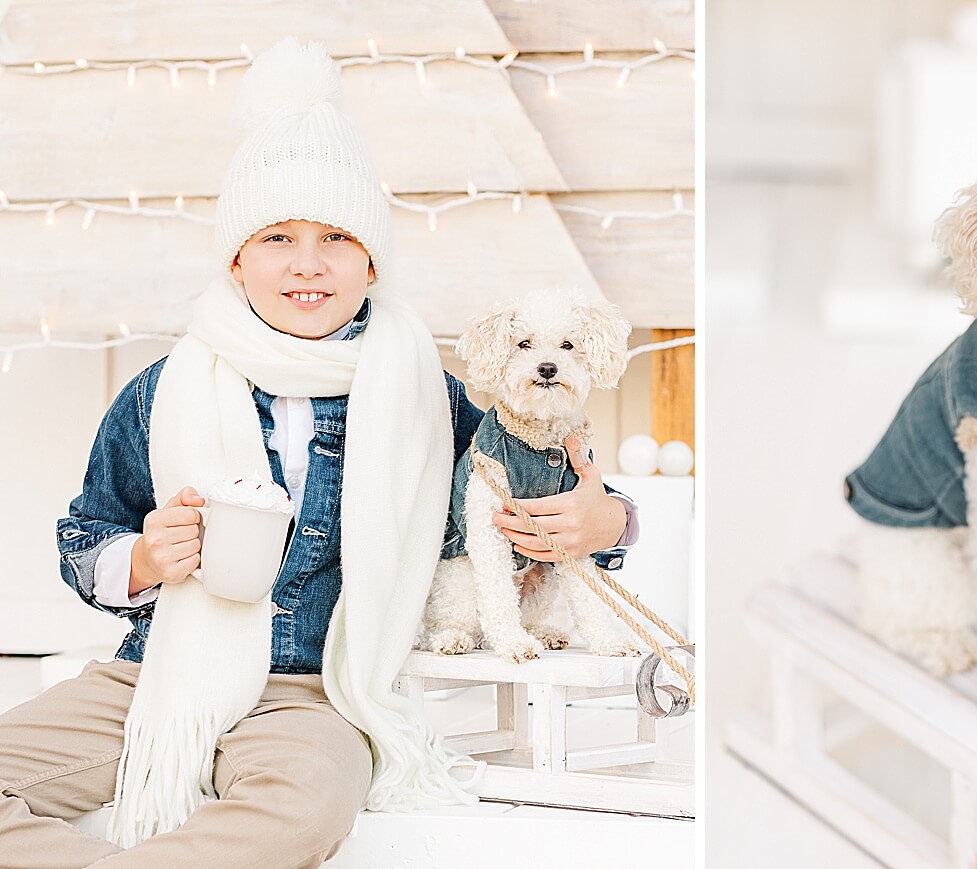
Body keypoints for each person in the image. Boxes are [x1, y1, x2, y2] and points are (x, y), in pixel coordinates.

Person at [0, 39, 634, 868]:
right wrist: (147, 557)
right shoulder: (163, 391)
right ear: (236, 257)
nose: (308, 264)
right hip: (157, 676)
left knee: (306, 809)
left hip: (319, 688)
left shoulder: (429, 399)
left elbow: (568, 496)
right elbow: (85, 539)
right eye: (277, 238)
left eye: (336, 235)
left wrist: (608, 518)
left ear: (371, 256)